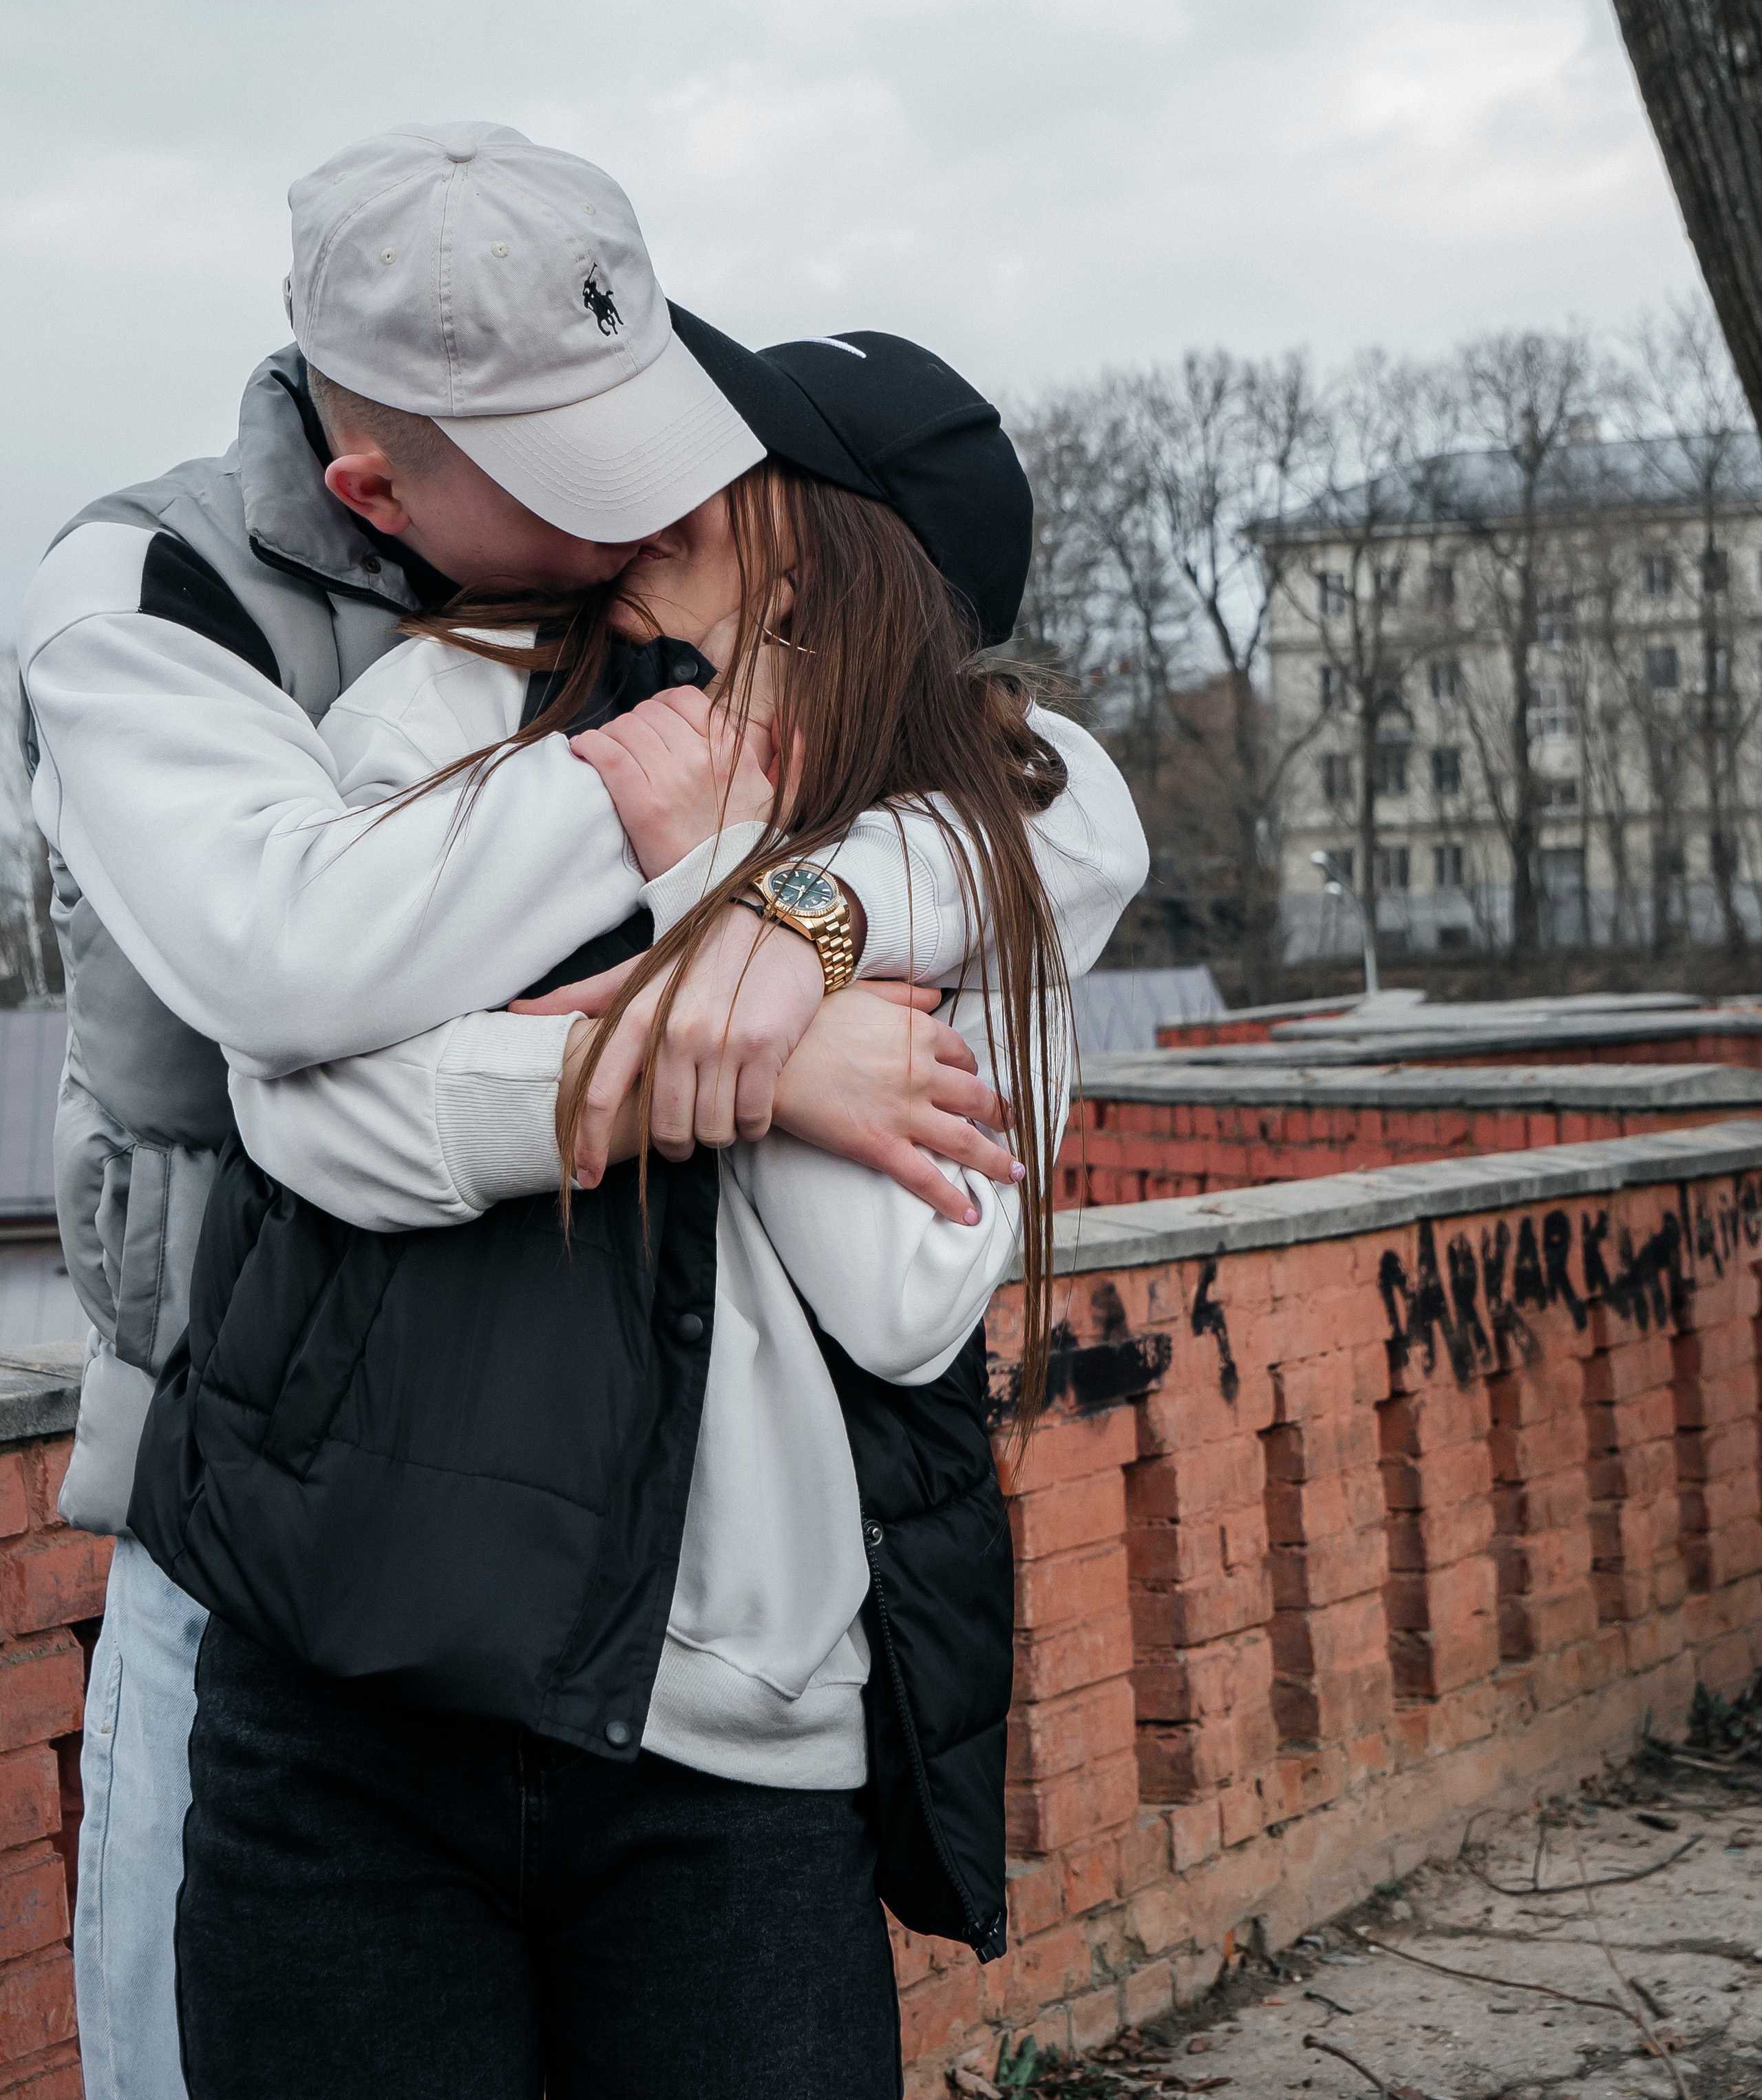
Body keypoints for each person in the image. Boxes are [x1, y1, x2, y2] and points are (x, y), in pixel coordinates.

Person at [19, 123, 1108, 2100]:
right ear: (381, 487)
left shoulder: (921, 807)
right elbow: (292, 1028)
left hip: (726, 1719)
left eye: (679, 444)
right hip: (303, 1563)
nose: (649, 505)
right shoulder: (200, 605)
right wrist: (747, 1041)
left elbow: (1049, 836)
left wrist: (790, 896)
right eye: (598, 471)